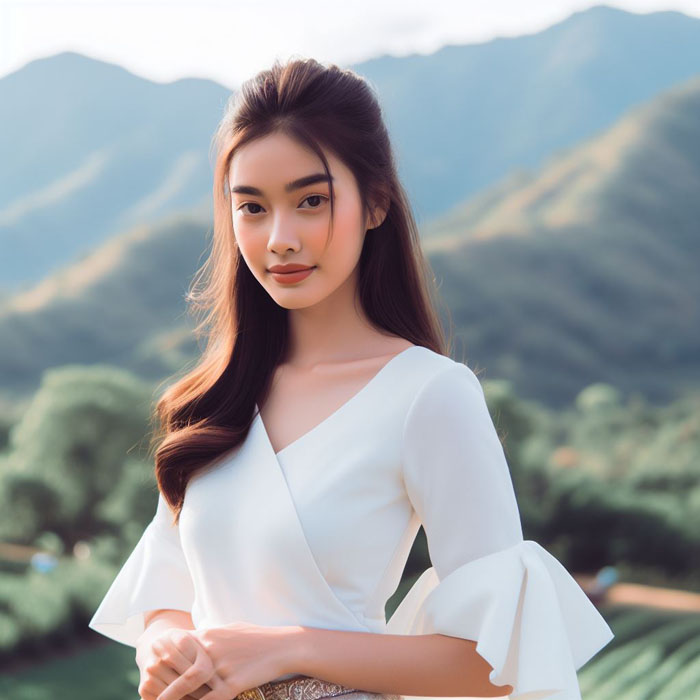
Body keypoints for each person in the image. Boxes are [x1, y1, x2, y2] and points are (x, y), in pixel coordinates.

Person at [88, 56, 614, 700]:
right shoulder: (219, 395)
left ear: (376, 204)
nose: (279, 238)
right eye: (251, 207)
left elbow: (490, 664)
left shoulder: (430, 394)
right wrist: (164, 644)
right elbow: (166, 595)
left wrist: (291, 648)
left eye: (311, 201)